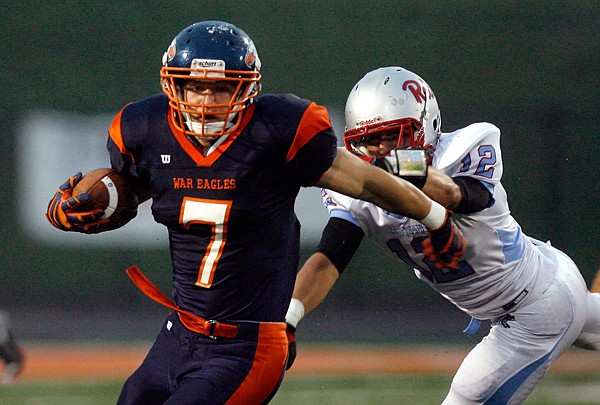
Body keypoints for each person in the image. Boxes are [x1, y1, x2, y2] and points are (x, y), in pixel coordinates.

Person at [45, 23, 466, 404]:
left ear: (246, 89)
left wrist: (435, 217)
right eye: (195, 87)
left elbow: (369, 181)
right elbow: (132, 188)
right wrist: (85, 207)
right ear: (175, 87)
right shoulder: (144, 128)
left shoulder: (277, 130)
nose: (206, 100)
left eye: (222, 88)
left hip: (246, 347)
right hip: (179, 332)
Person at [285, 66, 600, 404]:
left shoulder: (465, 148)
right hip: (540, 284)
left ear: (427, 126)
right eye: (369, 141)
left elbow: (454, 193)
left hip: (535, 303)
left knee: (466, 396)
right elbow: (329, 258)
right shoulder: (360, 195)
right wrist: (289, 317)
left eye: (393, 137)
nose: (380, 150)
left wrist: (389, 167)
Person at [0, 311, 24, 383]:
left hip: (4, 342)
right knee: (16, 361)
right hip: (4, 343)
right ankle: (6, 378)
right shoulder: (2, 316)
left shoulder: (2, 316)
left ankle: (7, 378)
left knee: (13, 361)